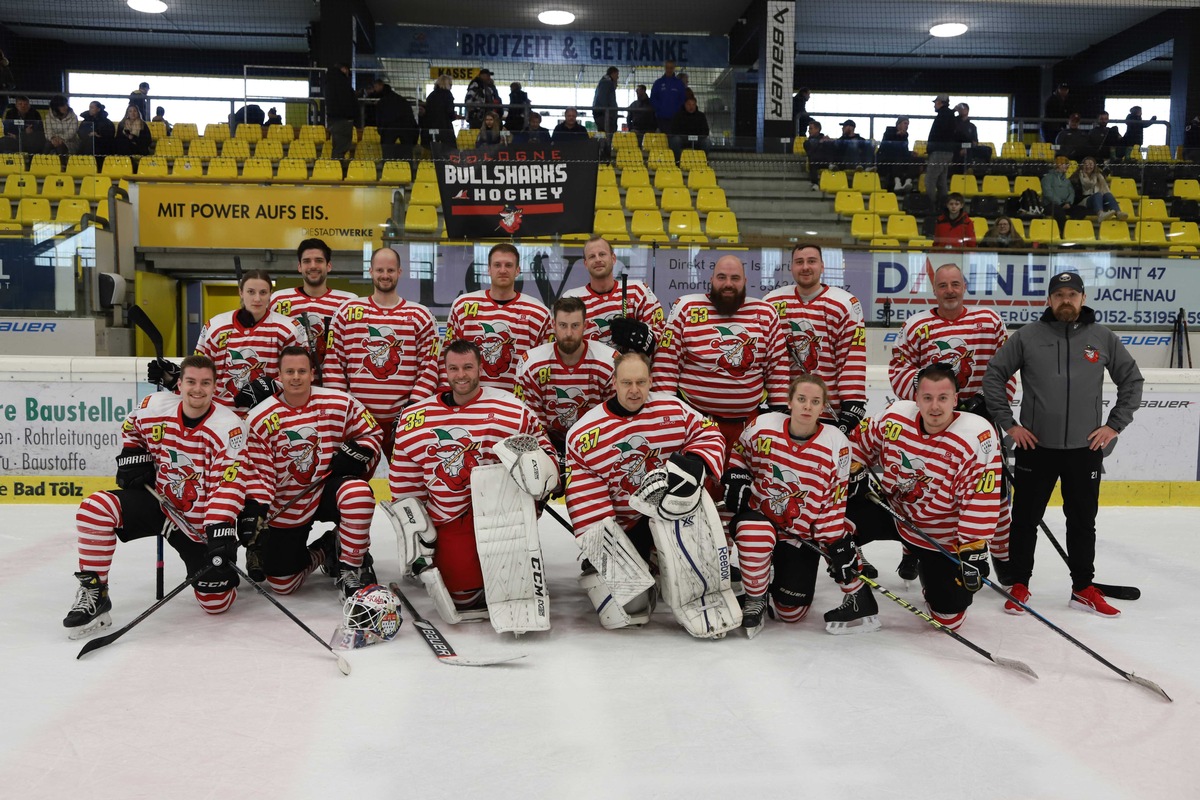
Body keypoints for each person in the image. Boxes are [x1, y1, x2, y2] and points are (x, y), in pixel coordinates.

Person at [983, 271, 1144, 618]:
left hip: (1084, 451)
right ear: (1049, 300)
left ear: (1082, 299)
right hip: (1036, 448)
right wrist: (1009, 425)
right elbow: (994, 375)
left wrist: (1114, 425)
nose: (1066, 300)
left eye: (1072, 294)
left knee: (1083, 521)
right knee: (1024, 520)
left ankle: (1083, 588)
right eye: (1059, 295)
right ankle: (1020, 586)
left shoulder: (1103, 338)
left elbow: (1132, 380)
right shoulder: (1027, 337)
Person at [63, 355, 250, 639]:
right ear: (180, 384)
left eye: (205, 383)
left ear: (214, 387)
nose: (197, 389)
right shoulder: (154, 407)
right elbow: (132, 429)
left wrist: (220, 528)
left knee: (216, 604)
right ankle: (95, 593)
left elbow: (229, 484)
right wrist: (132, 454)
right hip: (159, 504)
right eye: (190, 381)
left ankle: (220, 578)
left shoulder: (228, 427)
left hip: (197, 524)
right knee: (95, 507)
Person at [389, 339, 557, 613]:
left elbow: (547, 456)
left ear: (480, 368)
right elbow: (404, 486)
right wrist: (420, 539)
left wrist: (542, 480)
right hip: (451, 519)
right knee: (463, 599)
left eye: (468, 367)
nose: (461, 375)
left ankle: (511, 563)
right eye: (454, 368)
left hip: (504, 517)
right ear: (445, 371)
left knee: (511, 589)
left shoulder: (512, 410)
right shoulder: (415, 418)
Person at [565, 352, 727, 624]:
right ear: (613, 382)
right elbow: (589, 510)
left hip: (674, 519)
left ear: (651, 381)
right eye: (627, 382)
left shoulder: (673, 410)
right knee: (633, 605)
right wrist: (607, 555)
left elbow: (708, 432)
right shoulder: (585, 435)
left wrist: (696, 461)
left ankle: (665, 562)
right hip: (625, 526)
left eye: (641, 382)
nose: (634, 390)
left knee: (703, 586)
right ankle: (629, 565)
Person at [848, 364, 1002, 632]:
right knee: (831, 521)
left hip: (940, 535)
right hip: (895, 515)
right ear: (916, 398)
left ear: (956, 399)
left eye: (943, 398)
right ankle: (854, 589)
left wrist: (973, 549)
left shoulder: (976, 436)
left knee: (947, 620)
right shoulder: (895, 417)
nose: (935, 407)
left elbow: (980, 497)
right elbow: (859, 444)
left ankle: (919, 557)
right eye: (927, 398)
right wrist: (852, 466)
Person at [887, 263, 1015, 582]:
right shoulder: (917, 325)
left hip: (979, 419)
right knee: (920, 486)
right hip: (933, 418)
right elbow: (898, 371)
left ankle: (1000, 554)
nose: (949, 291)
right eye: (943, 285)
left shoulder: (989, 322)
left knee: (993, 493)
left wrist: (990, 402)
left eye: (955, 284)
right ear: (934, 288)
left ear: (964, 286)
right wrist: (927, 401)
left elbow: (1007, 368)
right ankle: (912, 550)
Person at [723, 374, 875, 636]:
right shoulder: (763, 426)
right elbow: (739, 455)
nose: (807, 406)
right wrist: (736, 476)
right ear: (789, 402)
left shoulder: (836, 443)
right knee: (753, 531)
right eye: (801, 399)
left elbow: (833, 502)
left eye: (815, 401)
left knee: (790, 613)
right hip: (762, 519)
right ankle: (756, 597)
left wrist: (836, 544)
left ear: (823, 406)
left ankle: (770, 579)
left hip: (801, 535)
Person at [243, 346, 384, 599]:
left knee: (357, 493)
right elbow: (258, 475)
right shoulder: (258, 418)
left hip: (328, 487)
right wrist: (256, 512)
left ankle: (350, 568)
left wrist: (358, 451)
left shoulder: (339, 402)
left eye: (301, 371)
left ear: (311, 374)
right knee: (283, 584)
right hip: (287, 502)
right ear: (279, 375)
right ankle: (327, 547)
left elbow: (372, 434)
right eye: (289, 371)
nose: (295, 377)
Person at [652, 255, 789, 460]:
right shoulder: (686, 308)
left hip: (748, 424)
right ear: (711, 280)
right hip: (696, 421)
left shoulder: (765, 313)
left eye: (735, 278)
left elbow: (777, 369)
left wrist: (777, 418)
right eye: (721, 277)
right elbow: (666, 365)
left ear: (745, 282)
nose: (728, 284)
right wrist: (667, 417)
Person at [323, 246, 440, 459]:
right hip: (358, 420)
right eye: (379, 270)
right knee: (351, 480)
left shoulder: (419, 315)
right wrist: (344, 409)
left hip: (404, 418)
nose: (385, 275)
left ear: (399, 272)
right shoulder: (348, 313)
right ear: (370, 271)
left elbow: (430, 366)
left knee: (406, 481)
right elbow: (334, 364)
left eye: (390, 270)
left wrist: (413, 406)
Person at [148, 270, 306, 413]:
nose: (257, 298)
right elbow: (201, 369)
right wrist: (175, 379)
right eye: (251, 292)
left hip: (270, 413)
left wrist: (275, 385)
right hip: (220, 414)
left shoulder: (288, 328)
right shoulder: (216, 326)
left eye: (263, 292)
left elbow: (301, 372)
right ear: (241, 292)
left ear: (270, 294)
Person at [764, 244, 868, 437]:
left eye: (811, 261)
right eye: (799, 262)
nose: (805, 267)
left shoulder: (845, 304)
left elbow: (851, 359)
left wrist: (852, 407)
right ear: (791, 267)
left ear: (822, 266)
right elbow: (769, 362)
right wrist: (778, 407)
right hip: (786, 411)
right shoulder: (772, 303)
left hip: (830, 413)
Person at [514, 296, 617, 456]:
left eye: (575, 325)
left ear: (586, 326)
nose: (569, 333)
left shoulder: (608, 362)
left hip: (595, 445)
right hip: (546, 447)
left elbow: (613, 420)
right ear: (553, 325)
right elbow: (531, 423)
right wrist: (549, 455)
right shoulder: (531, 364)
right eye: (563, 325)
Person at [442, 243, 551, 390]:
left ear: (518, 270)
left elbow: (545, 365)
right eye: (497, 265)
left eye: (508, 265)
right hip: (471, 401)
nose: (503, 270)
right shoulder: (462, 306)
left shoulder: (538, 312)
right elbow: (447, 355)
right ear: (489, 269)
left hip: (517, 403)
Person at [562, 235, 665, 354]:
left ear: (613, 258)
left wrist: (644, 338)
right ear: (585, 263)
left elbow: (662, 338)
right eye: (592, 256)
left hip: (631, 370)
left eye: (602, 254)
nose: (597, 259)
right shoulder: (571, 299)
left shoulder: (638, 290)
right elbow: (561, 345)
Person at [269, 237, 357, 371]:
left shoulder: (348, 302)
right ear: (299, 266)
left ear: (329, 265)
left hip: (333, 384)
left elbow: (352, 351)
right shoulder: (279, 300)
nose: (313, 266)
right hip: (291, 385)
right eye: (306, 261)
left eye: (319, 260)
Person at [371, 79, 418, 163]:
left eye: (376, 87)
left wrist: (381, 130)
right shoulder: (401, 100)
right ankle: (409, 172)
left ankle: (387, 171)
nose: (375, 89)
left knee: (387, 154)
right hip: (406, 128)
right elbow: (411, 118)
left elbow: (379, 119)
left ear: (381, 85)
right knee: (407, 155)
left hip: (389, 128)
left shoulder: (382, 102)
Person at [926, 93, 958, 210]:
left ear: (940, 102)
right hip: (947, 152)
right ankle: (944, 205)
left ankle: (931, 205)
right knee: (942, 181)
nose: (934, 105)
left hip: (939, 151)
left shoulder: (944, 115)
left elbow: (941, 133)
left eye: (935, 102)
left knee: (930, 179)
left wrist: (931, 148)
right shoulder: (948, 115)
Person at [1071, 156, 1125, 221]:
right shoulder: (1076, 178)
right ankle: (1100, 214)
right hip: (1083, 202)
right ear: (1082, 166)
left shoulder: (1099, 176)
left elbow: (1104, 190)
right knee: (1098, 194)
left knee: (1107, 194)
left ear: (1094, 166)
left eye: (1091, 164)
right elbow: (1076, 196)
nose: (1088, 166)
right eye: (1086, 164)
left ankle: (1118, 213)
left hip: (1098, 200)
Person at [324, 63, 358, 161]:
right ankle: (338, 169)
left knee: (337, 146)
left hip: (333, 118)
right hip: (343, 119)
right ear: (343, 69)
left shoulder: (329, 81)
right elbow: (346, 100)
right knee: (340, 148)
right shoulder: (341, 82)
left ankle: (336, 169)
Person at [422, 74, 460, 152]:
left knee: (433, 150)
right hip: (444, 128)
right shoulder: (447, 95)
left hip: (430, 128)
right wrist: (454, 116)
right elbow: (450, 112)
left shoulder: (431, 95)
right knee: (448, 150)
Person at [669, 96, 709, 164]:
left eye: (693, 104)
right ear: (685, 105)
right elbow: (674, 130)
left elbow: (705, 131)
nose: (691, 107)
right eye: (689, 104)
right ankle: (678, 161)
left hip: (697, 139)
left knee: (707, 142)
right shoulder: (678, 115)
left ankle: (702, 161)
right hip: (682, 139)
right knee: (675, 140)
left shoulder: (701, 116)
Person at [1041, 156, 1079, 228]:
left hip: (1066, 205)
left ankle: (1071, 229)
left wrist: (1068, 203)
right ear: (1058, 165)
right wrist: (1061, 204)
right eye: (1065, 164)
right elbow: (1048, 193)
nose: (1067, 166)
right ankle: (1062, 232)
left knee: (1081, 210)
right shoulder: (1047, 178)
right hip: (1050, 205)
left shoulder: (1067, 180)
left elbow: (1072, 192)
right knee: (1059, 212)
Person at [650, 60, 686, 133]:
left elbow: (682, 99)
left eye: (671, 68)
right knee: (661, 141)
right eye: (667, 67)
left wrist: (676, 111)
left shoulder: (679, 84)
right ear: (665, 68)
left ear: (674, 68)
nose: (669, 70)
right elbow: (653, 99)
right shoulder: (658, 83)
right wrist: (659, 109)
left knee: (674, 141)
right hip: (660, 119)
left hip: (675, 119)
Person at [878, 116, 912, 192]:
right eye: (905, 123)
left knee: (917, 160)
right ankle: (897, 181)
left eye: (908, 124)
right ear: (898, 124)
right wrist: (897, 135)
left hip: (901, 160)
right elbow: (885, 146)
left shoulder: (905, 136)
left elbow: (905, 151)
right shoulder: (889, 131)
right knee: (896, 155)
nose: (907, 126)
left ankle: (908, 181)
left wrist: (911, 153)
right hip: (887, 160)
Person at [803, 120, 835, 187]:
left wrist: (831, 141)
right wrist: (820, 142)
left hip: (825, 160)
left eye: (811, 129)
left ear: (817, 129)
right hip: (815, 162)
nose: (809, 131)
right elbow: (809, 150)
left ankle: (831, 164)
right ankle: (815, 183)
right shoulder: (807, 142)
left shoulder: (825, 139)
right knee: (812, 159)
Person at [592, 66, 620, 139]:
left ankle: (602, 148)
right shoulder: (607, 82)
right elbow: (603, 99)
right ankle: (604, 149)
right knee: (607, 137)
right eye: (617, 75)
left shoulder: (604, 82)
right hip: (605, 116)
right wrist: (609, 114)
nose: (618, 77)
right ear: (613, 73)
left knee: (603, 136)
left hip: (603, 114)